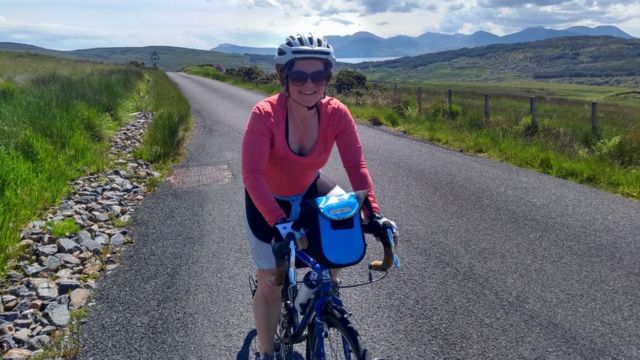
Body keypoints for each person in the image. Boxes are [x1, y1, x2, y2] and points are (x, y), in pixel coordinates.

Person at [242, 32, 396, 360]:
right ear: (282, 76)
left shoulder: (336, 113)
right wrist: (279, 223)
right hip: (267, 199)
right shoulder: (264, 115)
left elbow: (357, 166)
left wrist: (374, 215)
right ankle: (268, 353)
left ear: (328, 77)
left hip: (308, 188)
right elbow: (252, 175)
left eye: (319, 75)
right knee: (271, 281)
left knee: (346, 217)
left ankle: (327, 293)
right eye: (299, 75)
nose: (309, 84)